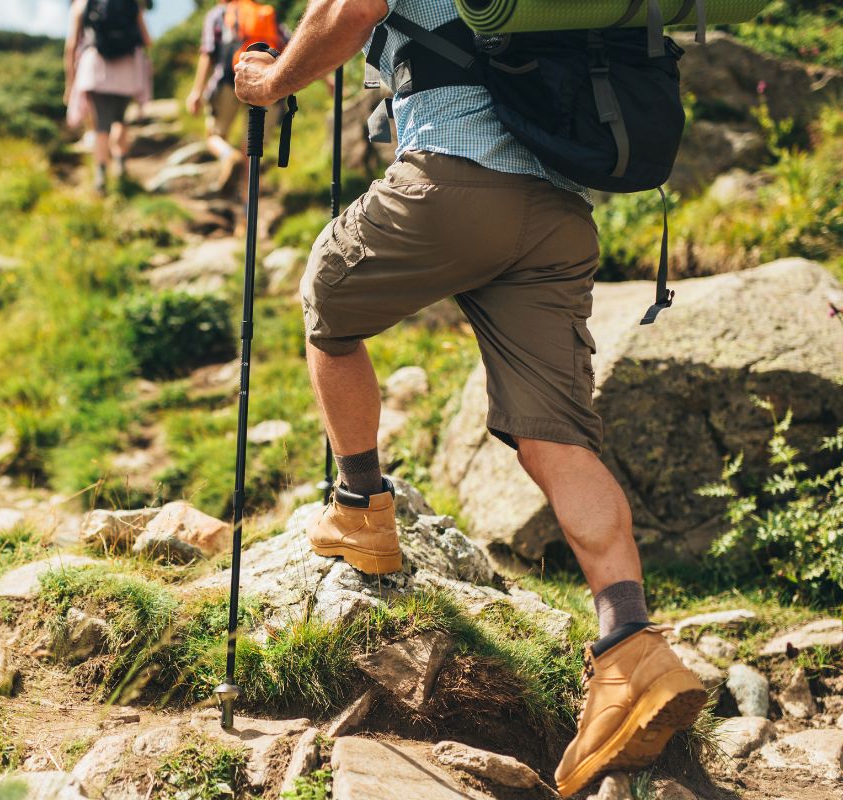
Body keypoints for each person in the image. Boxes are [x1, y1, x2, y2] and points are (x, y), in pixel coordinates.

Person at [232, 1, 708, 797]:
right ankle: (630, 646)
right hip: (556, 216)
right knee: (556, 434)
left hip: (454, 179)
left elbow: (350, 8)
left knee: (328, 303)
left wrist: (273, 81)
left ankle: (361, 510)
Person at [185, 0, 291, 194]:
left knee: (214, 136)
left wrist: (197, 92)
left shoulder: (219, 13)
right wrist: (327, 80)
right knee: (252, 151)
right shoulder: (266, 13)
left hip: (228, 79)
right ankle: (246, 210)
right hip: (263, 80)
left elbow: (208, 52)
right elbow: (292, 46)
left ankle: (227, 156)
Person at [65, 0, 153, 193]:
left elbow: (71, 44)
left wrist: (69, 84)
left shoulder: (82, 4)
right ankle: (121, 166)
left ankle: (101, 177)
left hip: (97, 68)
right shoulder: (131, 3)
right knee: (120, 120)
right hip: (127, 70)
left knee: (101, 126)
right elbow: (147, 40)